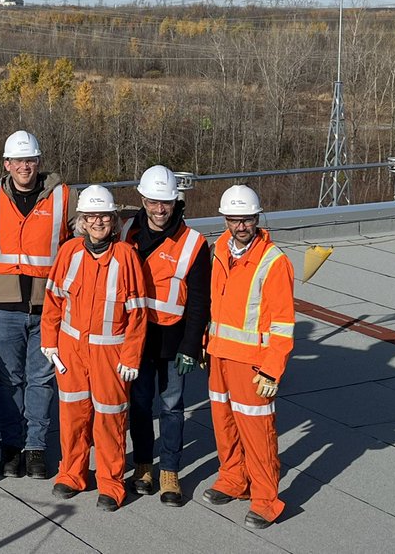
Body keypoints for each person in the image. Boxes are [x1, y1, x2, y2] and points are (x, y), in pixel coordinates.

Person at [41, 185, 146, 511]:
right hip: (71, 352)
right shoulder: (69, 252)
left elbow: (138, 313)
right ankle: (71, 473)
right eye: (91, 216)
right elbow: (53, 300)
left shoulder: (126, 256)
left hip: (110, 354)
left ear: (113, 220)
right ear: (82, 220)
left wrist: (131, 355)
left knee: (110, 419)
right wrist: (49, 341)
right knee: (72, 415)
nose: (98, 221)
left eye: (103, 216)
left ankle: (111, 483)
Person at [0, 130, 73, 480]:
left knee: (41, 380)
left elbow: (92, 231)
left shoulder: (63, 197)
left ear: (38, 162)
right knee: (7, 380)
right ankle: (11, 447)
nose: (24, 167)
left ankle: (35, 448)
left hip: (47, 306)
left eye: (30, 160)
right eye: (18, 161)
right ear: (6, 164)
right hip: (3, 307)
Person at [202, 184, 295, 529]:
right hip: (219, 357)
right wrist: (203, 344)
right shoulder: (217, 251)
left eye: (246, 220)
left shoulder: (274, 262)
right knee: (224, 425)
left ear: (257, 218)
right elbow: (213, 305)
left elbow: (283, 325)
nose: (240, 226)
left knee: (258, 432)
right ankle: (233, 479)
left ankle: (266, 499)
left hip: (253, 364)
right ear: (225, 219)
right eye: (234, 220)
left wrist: (272, 370)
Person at [121, 165, 211, 507]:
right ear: (143, 200)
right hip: (137, 336)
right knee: (141, 405)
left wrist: (191, 345)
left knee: (172, 406)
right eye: (154, 202)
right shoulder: (127, 232)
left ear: (176, 203)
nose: (160, 210)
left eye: (167, 203)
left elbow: (200, 299)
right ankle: (144, 465)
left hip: (174, 339)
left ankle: (170, 470)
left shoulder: (193, 244)